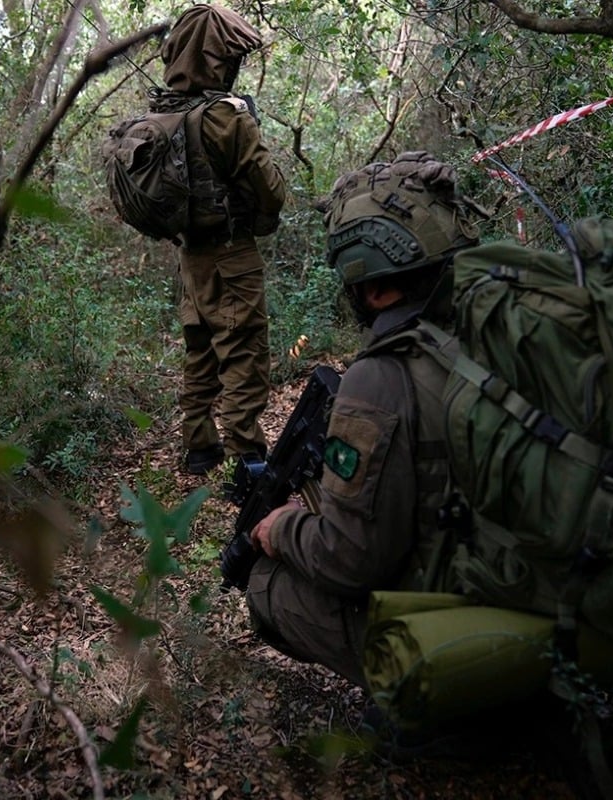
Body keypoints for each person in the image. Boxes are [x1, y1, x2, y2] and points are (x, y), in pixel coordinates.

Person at [243, 152, 482, 686]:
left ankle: (435, 716)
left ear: (372, 287)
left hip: (472, 626)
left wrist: (283, 527)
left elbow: (351, 561)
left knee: (264, 581)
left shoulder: (382, 375)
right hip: (554, 596)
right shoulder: (498, 332)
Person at [152, 4, 287, 475]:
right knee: (244, 351)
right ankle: (247, 461)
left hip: (191, 256)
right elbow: (271, 189)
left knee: (200, 349)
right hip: (233, 253)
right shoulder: (226, 116)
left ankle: (199, 447)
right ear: (219, 60)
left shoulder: (164, 115)